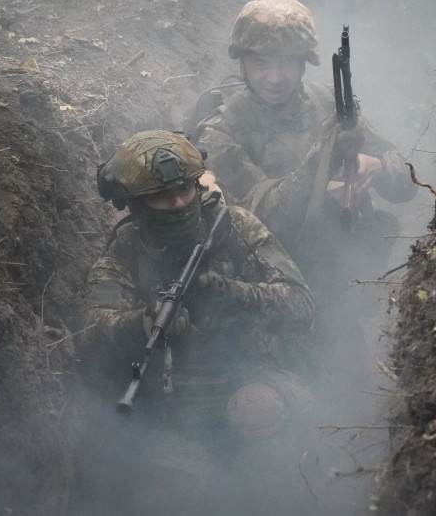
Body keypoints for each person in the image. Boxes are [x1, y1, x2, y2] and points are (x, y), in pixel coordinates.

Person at [78, 130, 319, 514]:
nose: (178, 203)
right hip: (176, 413)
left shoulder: (234, 226)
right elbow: (92, 331)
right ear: (136, 205)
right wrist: (144, 322)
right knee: (171, 493)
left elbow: (302, 306)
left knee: (259, 415)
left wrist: (234, 294)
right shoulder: (125, 254)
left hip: (255, 378)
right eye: (162, 196)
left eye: (185, 190)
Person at [195, 0, 417, 286]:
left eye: (287, 63)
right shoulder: (219, 133)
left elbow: (407, 184)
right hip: (279, 285)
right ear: (243, 65)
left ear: (303, 65)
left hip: (350, 269)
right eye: (261, 63)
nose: (275, 77)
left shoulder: (328, 101)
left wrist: (378, 167)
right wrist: (325, 159)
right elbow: (264, 223)